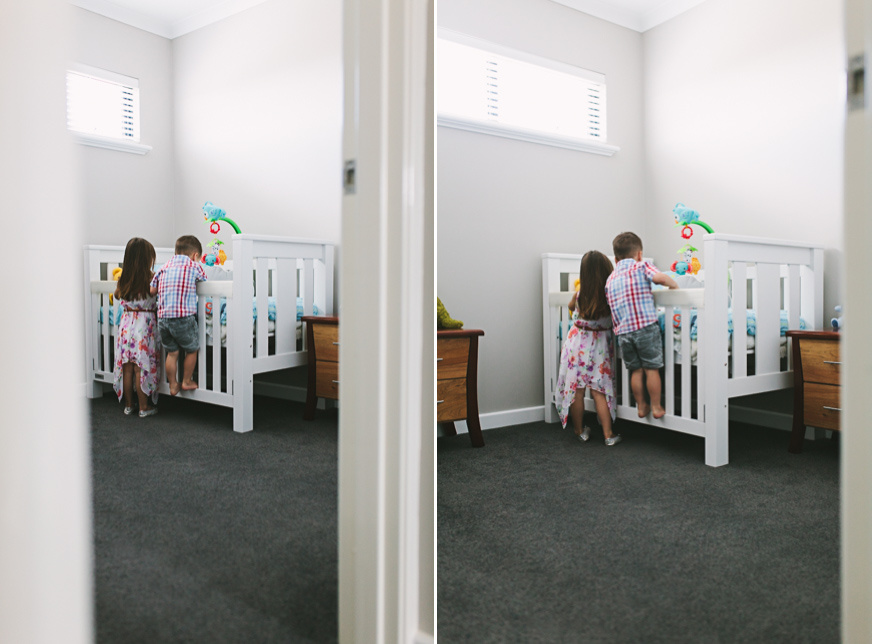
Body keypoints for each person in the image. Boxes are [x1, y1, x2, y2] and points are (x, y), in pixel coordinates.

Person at [605, 232, 678, 420]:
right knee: (651, 369)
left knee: (635, 371)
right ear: (639, 254)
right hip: (645, 327)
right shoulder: (641, 266)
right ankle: (656, 406)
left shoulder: (610, 279)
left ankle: (640, 405)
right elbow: (660, 278)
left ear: (615, 259)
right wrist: (675, 287)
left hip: (624, 333)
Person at [555, 250, 620, 446]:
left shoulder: (580, 293)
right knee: (599, 391)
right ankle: (608, 435)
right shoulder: (609, 295)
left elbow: (570, 306)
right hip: (599, 347)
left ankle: (579, 431)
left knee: (577, 390)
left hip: (577, 346)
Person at [150, 235, 207, 396]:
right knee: (191, 349)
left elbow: (152, 290)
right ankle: (187, 381)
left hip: (163, 319)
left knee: (172, 353)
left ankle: (173, 384)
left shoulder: (163, 267)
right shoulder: (194, 267)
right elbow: (205, 282)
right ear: (195, 255)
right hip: (183, 318)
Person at [113, 237, 160, 417]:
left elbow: (118, 296)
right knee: (140, 366)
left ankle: (128, 405)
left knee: (128, 367)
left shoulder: (123, 279)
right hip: (143, 324)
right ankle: (143, 407)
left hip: (126, 324)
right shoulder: (151, 278)